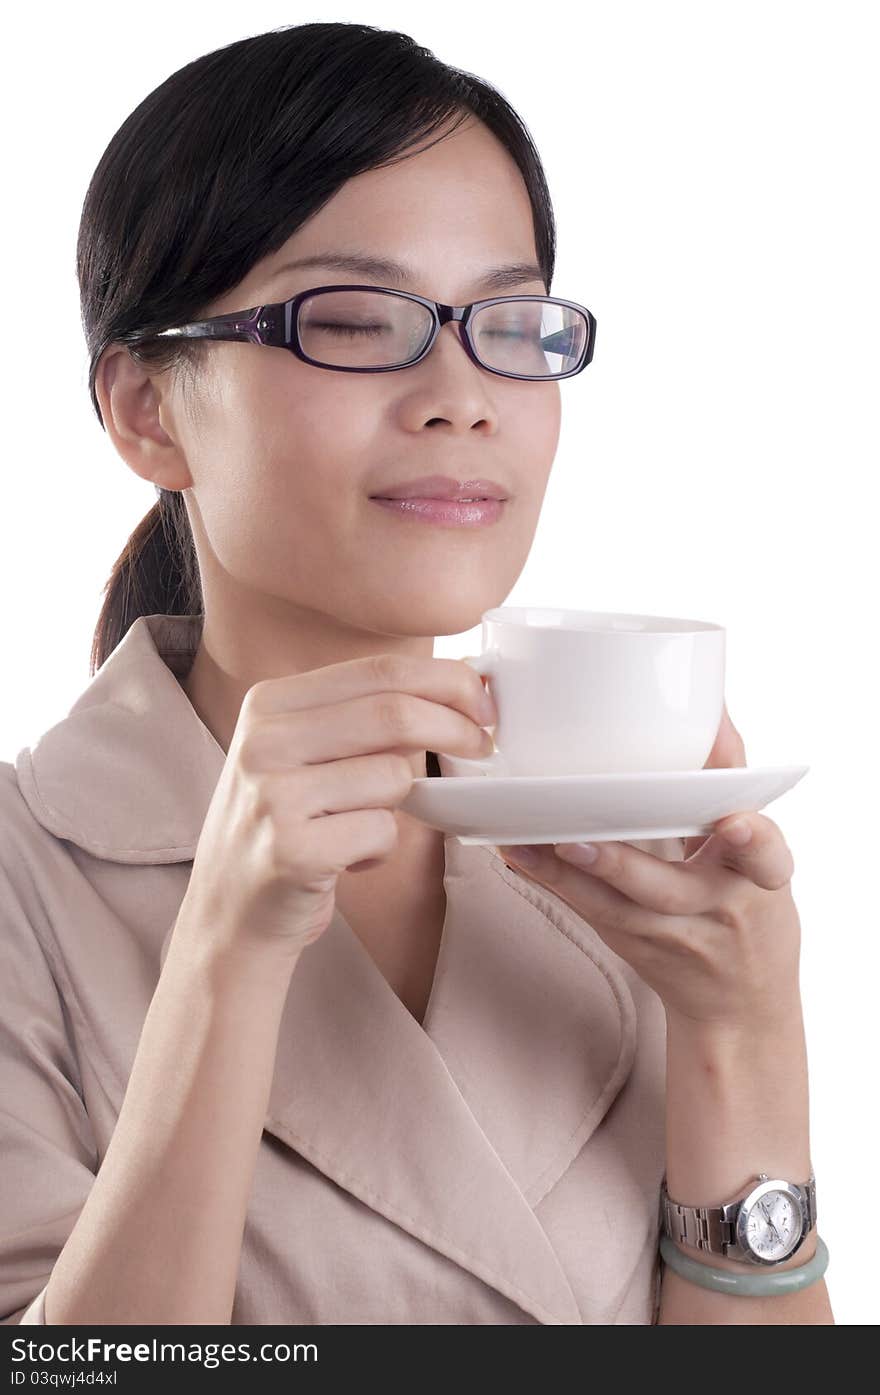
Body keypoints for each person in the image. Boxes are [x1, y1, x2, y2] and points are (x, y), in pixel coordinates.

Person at [0, 21, 832, 1326]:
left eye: (510, 323)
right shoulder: (23, 880)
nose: (463, 393)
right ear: (147, 410)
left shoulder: (624, 851)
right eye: (356, 320)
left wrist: (748, 1042)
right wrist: (225, 956)